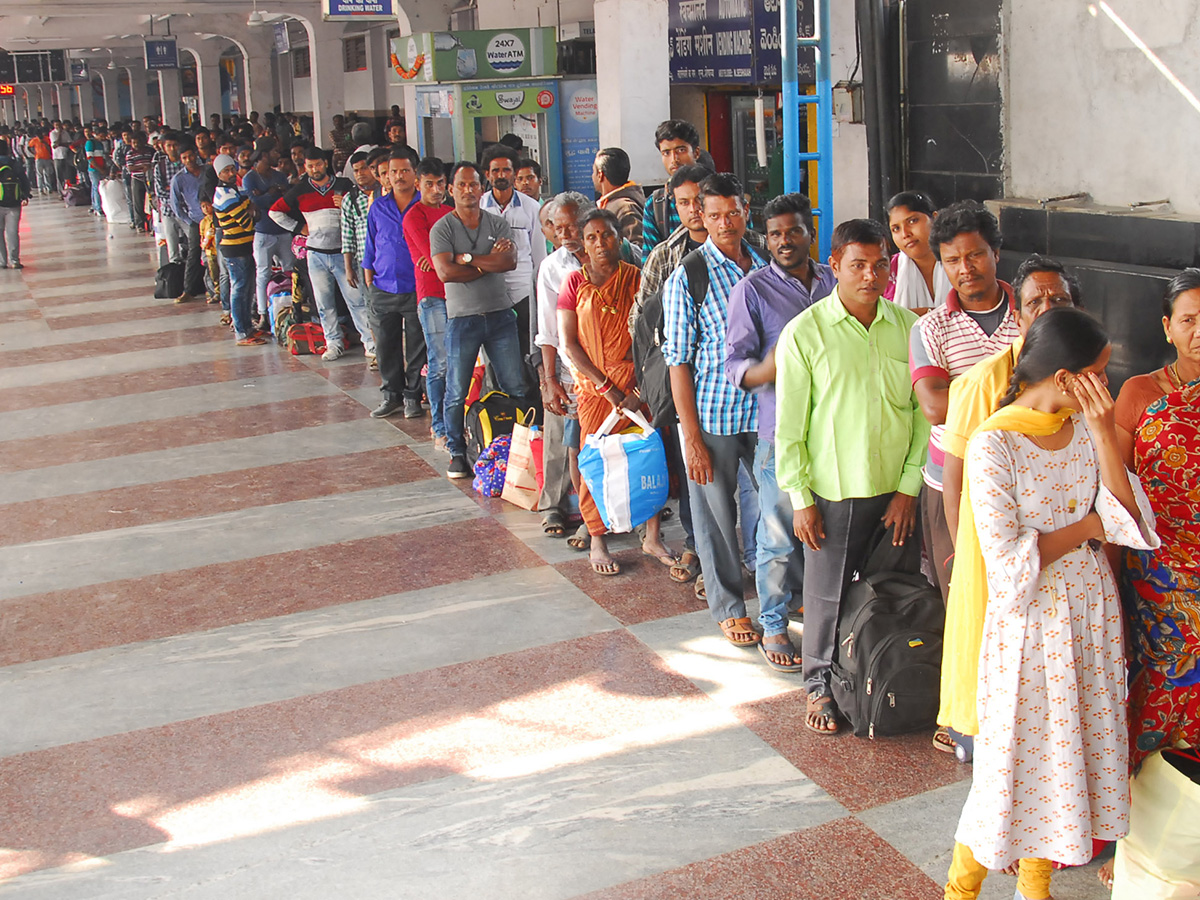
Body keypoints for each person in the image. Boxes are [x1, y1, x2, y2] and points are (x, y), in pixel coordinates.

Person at [943, 307, 1158, 900]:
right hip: (1031, 628)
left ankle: (1034, 892)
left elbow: (1127, 519)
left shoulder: (1085, 429)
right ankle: (959, 892)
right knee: (1005, 774)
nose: (1105, 385)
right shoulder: (996, 444)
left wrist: (1103, 429)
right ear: (1064, 378)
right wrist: (1088, 524)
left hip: (1089, 618)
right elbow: (1008, 560)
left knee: (1063, 768)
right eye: (1096, 374)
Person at [775, 218, 928, 735]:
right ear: (835, 266)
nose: (870, 275)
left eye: (880, 264)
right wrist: (801, 498)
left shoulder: (909, 329)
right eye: (857, 265)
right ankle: (820, 684)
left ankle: (878, 674)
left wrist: (909, 490)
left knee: (890, 590)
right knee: (827, 595)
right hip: (833, 494)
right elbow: (790, 426)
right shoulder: (806, 333)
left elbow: (923, 416)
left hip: (895, 495)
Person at [937, 254, 1082, 749]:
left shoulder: (1086, 375)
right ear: (1017, 316)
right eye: (1034, 301)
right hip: (992, 549)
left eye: (1058, 299)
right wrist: (963, 556)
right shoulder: (985, 381)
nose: (1046, 308)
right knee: (988, 658)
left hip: (1060, 558)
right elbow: (954, 479)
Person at [1108, 271, 1200, 897]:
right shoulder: (1140, 392)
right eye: (1189, 318)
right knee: (1160, 693)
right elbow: (1115, 482)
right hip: (1161, 576)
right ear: (1166, 327)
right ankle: (1134, 840)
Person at [725, 193, 836, 671]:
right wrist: (767, 369)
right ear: (764, 239)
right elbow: (734, 366)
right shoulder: (751, 290)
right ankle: (772, 623)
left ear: (811, 231)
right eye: (774, 234)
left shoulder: (835, 280)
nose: (784, 241)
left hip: (835, 429)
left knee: (826, 533)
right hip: (780, 433)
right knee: (778, 536)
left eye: (793, 231)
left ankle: (814, 610)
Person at [662, 172, 764, 646]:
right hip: (715, 416)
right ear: (700, 217)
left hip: (767, 414)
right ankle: (728, 606)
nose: (726, 223)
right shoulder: (689, 276)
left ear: (746, 211)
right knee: (716, 518)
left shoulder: (764, 264)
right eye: (715, 214)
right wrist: (691, 437)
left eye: (733, 212)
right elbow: (678, 362)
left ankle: (783, 593)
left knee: (778, 508)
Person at [911, 201, 1019, 605]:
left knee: (1017, 590)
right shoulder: (930, 328)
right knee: (961, 595)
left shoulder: (1029, 315)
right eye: (952, 260)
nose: (965, 268)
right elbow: (935, 409)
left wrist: (963, 389)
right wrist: (1014, 394)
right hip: (949, 483)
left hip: (1021, 476)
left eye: (974, 254)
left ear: (995, 253)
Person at [557, 208, 675, 575]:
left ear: (619, 238)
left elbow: (653, 339)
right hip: (596, 391)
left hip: (637, 388)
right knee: (594, 463)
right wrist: (606, 387)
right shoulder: (573, 283)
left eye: (606, 235)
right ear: (582, 242)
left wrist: (638, 390)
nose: (599, 243)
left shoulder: (637, 279)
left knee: (647, 459)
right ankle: (597, 539)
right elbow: (570, 343)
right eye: (591, 237)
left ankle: (652, 535)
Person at [429, 161, 526, 480]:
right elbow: (445, 272)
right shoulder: (442, 228)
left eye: (474, 185)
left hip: (500, 316)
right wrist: (488, 263)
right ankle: (457, 452)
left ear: (481, 188)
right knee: (456, 388)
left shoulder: (497, 224)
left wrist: (467, 259)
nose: (468, 190)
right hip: (462, 319)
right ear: (451, 190)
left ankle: (522, 445)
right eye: (462, 186)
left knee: (516, 385)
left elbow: (509, 261)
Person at [270, 146, 375, 363]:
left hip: (344, 253)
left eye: (318, 164)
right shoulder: (300, 190)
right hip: (315, 254)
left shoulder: (344, 186)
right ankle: (333, 343)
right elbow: (275, 211)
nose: (314, 169)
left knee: (356, 301)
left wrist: (345, 203)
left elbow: (360, 208)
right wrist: (299, 228)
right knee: (324, 303)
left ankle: (371, 344)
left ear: (325, 164)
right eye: (309, 166)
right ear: (305, 167)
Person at [536, 192, 592, 538]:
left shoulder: (611, 253)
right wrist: (549, 378)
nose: (566, 234)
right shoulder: (552, 266)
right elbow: (547, 329)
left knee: (596, 443)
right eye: (558, 228)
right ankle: (553, 506)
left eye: (572, 225)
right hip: (568, 368)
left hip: (607, 367)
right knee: (560, 438)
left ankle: (600, 510)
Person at [363, 146, 426, 419]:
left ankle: (413, 396)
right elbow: (370, 245)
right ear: (386, 175)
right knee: (386, 345)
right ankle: (391, 395)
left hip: (417, 287)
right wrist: (369, 281)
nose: (398, 176)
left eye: (404, 171)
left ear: (415, 173)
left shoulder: (426, 205)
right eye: (393, 172)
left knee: (416, 346)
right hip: (383, 286)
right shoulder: (378, 207)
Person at [480, 143, 545, 367]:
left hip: (523, 291)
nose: (501, 175)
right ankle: (499, 399)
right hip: (490, 291)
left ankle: (530, 399)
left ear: (514, 174)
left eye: (506, 170)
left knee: (528, 350)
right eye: (495, 171)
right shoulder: (479, 207)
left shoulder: (531, 207)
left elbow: (539, 253)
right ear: (487, 175)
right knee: (495, 353)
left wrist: (539, 291)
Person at [403, 157, 453, 446]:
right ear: (418, 184)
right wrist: (447, 258)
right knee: (440, 363)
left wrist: (449, 259)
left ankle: (455, 419)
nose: (436, 189)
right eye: (429, 184)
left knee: (461, 363)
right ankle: (439, 424)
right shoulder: (414, 216)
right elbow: (434, 257)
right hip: (432, 296)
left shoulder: (450, 212)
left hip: (458, 293)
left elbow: (446, 255)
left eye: (440, 184)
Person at [210, 153, 265, 346]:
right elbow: (247, 222)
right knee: (240, 289)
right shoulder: (225, 194)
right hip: (234, 249)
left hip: (244, 247)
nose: (231, 173)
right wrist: (250, 210)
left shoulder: (235, 190)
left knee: (247, 289)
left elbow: (253, 210)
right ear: (219, 174)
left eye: (232, 169)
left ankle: (247, 327)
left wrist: (251, 210)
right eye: (226, 171)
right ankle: (241, 331)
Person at [242, 149, 293, 328]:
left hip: (283, 229)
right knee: (263, 273)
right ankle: (263, 314)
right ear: (264, 154)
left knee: (289, 270)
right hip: (263, 231)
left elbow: (286, 200)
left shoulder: (279, 176)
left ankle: (291, 308)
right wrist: (271, 194)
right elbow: (254, 204)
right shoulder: (250, 178)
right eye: (273, 151)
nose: (277, 155)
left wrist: (264, 195)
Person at [642, 119, 704, 256]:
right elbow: (650, 264)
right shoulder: (655, 206)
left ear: (696, 153)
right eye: (666, 153)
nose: (674, 159)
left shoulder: (722, 196)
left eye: (681, 150)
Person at [885, 190, 950, 314]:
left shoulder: (959, 261)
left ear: (935, 219)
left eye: (912, 221)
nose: (905, 234)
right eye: (896, 229)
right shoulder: (887, 271)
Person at [340, 148, 378, 354]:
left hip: (387, 261)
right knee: (370, 306)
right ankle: (376, 349)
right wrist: (348, 268)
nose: (361, 173)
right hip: (365, 263)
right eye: (356, 170)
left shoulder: (384, 193)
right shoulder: (350, 199)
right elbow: (348, 236)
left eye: (365, 168)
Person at [169, 143, 210, 303]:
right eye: (184, 158)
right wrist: (189, 221)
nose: (189, 160)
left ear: (196, 154)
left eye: (191, 156)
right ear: (181, 160)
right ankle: (188, 290)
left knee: (215, 254)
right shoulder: (178, 179)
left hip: (214, 218)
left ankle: (214, 289)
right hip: (196, 221)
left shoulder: (207, 171)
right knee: (193, 255)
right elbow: (175, 205)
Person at [593, 147, 645, 249]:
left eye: (593, 172)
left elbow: (637, 248)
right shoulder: (612, 204)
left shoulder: (626, 208)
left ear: (600, 175)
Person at [151, 132, 187, 268]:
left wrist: (172, 189)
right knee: (173, 248)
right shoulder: (160, 167)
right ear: (164, 147)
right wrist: (178, 197)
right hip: (168, 212)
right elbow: (161, 191)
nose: (172, 148)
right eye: (169, 146)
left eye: (175, 145)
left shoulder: (186, 162)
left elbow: (190, 188)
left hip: (187, 212)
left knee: (194, 243)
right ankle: (175, 274)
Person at [0, 139, 30, 269]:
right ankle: (14, 260)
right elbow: (24, 180)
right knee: (12, 232)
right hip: (14, 202)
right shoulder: (14, 163)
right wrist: (25, 195)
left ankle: (2, 261)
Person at [123, 132, 154, 234]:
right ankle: (139, 224)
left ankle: (152, 223)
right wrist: (142, 166)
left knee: (152, 201)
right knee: (137, 203)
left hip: (148, 179)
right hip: (137, 179)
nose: (136, 144)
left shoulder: (148, 151)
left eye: (138, 142)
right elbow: (130, 167)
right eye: (134, 143)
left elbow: (152, 163)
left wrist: (148, 167)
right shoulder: (130, 153)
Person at [84, 126, 109, 215]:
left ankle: (96, 205)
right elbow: (90, 158)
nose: (103, 138)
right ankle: (97, 208)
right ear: (96, 134)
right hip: (94, 169)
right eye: (101, 136)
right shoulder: (90, 143)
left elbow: (102, 157)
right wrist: (100, 169)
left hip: (101, 168)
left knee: (98, 187)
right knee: (96, 187)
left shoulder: (100, 144)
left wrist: (104, 168)